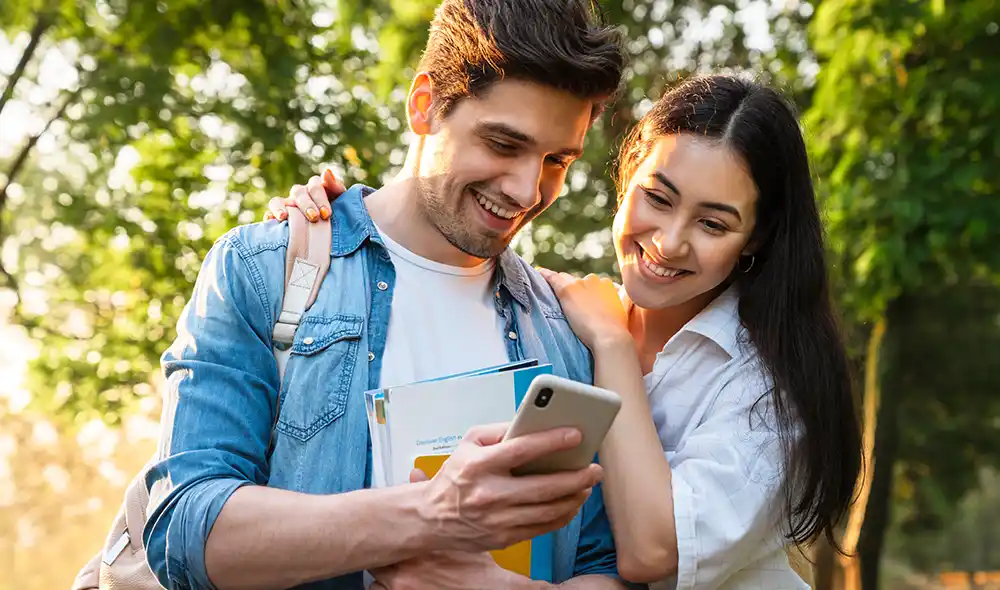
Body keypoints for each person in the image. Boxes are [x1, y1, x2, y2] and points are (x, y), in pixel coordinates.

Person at [272, 73, 863, 589]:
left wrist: (611, 347)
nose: (669, 241)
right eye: (658, 198)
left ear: (754, 240)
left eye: (713, 223)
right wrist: (335, 218)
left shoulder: (764, 388)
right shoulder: (561, 317)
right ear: (627, 178)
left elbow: (653, 551)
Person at [144, 1, 633, 589]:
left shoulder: (567, 326)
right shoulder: (264, 271)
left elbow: (607, 565)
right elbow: (185, 533)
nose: (527, 188)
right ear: (424, 105)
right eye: (504, 144)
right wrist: (432, 516)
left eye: (557, 160)